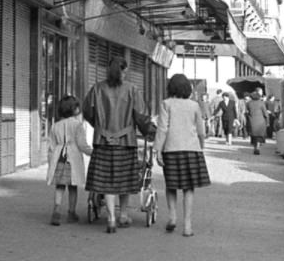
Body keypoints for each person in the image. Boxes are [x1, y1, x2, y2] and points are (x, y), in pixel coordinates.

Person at [82, 55, 156, 233]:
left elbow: (87, 111)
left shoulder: (97, 89)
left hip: (102, 143)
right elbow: (141, 116)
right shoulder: (132, 89)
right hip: (126, 143)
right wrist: (150, 132)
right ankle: (123, 214)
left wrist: (99, 126)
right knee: (123, 181)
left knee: (107, 183)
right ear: (122, 70)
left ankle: (111, 218)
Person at [154, 74, 209, 236]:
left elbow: (162, 128)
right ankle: (187, 226)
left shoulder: (166, 104)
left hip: (171, 149)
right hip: (191, 149)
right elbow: (201, 130)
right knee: (188, 188)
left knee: (171, 185)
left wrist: (158, 150)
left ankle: (172, 217)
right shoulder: (194, 106)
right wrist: (201, 145)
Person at [45, 95, 92, 226]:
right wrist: (92, 153)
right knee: (72, 187)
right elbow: (82, 145)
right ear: (74, 109)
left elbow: (51, 146)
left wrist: (50, 162)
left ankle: (56, 209)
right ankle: (71, 212)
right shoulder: (78, 125)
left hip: (59, 159)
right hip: (72, 159)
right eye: (77, 106)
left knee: (59, 186)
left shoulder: (55, 126)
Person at [245, 88, 269, 155]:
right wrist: (267, 121)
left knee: (254, 136)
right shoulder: (261, 103)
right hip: (261, 122)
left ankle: (255, 147)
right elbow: (265, 113)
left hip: (252, 121)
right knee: (259, 136)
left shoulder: (249, 103)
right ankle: (257, 148)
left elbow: (246, 112)